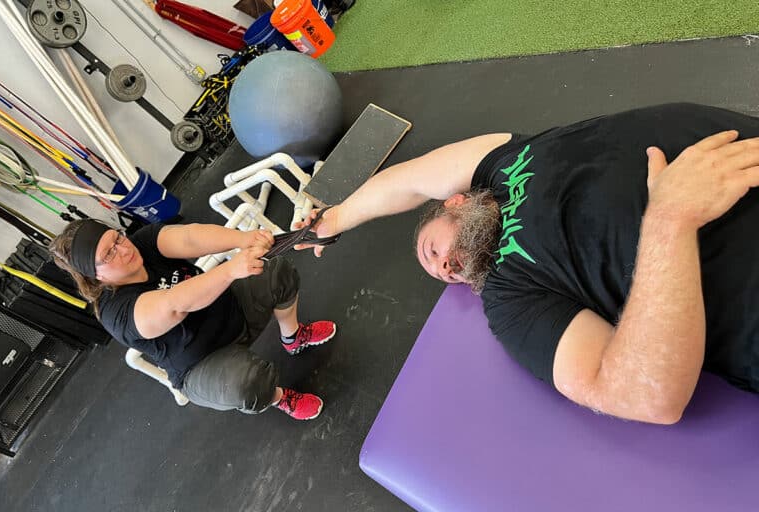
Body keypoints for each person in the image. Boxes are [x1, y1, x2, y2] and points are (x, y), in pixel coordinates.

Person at [298, 103, 759, 425]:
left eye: (432, 251)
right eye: (444, 273)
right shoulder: (508, 299)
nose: (445, 267)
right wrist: (670, 219)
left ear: (454, 202)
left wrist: (336, 217)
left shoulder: (502, 159)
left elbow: (411, 181)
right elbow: (642, 395)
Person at [50, 220, 337, 420]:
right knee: (248, 384)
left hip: (231, 311)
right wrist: (228, 271)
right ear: (95, 275)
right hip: (199, 363)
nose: (124, 249)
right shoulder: (116, 313)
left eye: (117, 238)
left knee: (275, 271)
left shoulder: (143, 244)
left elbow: (190, 237)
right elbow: (175, 304)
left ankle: (292, 337)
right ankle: (278, 398)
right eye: (109, 254)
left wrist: (244, 239)